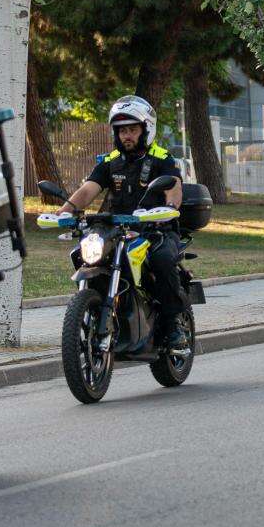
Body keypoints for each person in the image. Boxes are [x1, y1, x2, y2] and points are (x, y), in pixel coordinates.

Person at [52, 95, 187, 348]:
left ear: (146, 129)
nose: (127, 135)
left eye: (132, 130)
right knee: (85, 254)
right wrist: (64, 212)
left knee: (163, 260)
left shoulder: (162, 158)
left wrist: (169, 208)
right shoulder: (110, 162)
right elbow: (88, 190)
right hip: (118, 229)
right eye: (122, 130)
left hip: (155, 229)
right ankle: (95, 307)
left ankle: (173, 325)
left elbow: (174, 187)